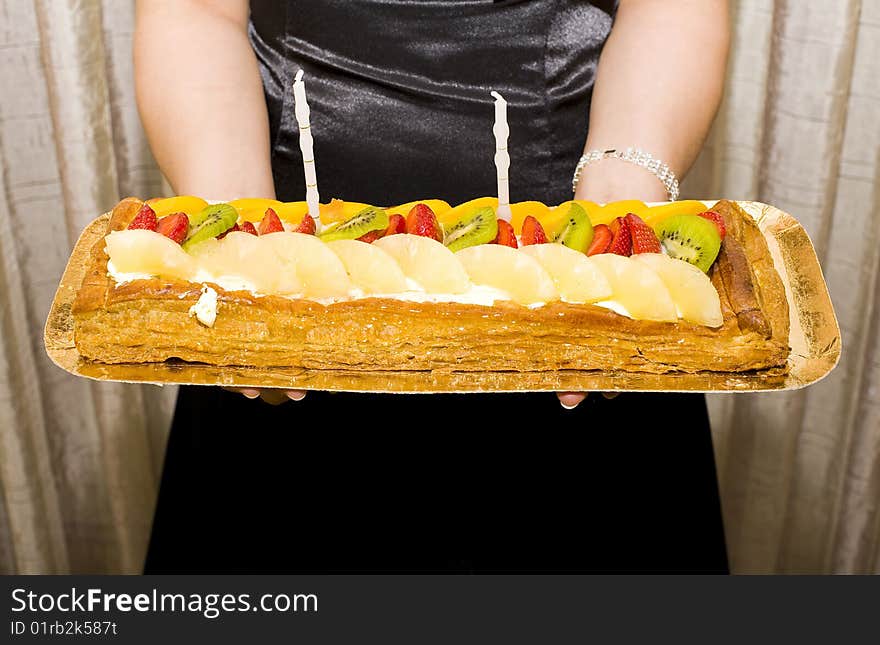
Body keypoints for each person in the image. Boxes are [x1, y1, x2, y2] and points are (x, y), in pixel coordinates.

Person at [137, 0, 731, 572]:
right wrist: (243, 249)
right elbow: (193, 9)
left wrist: (615, 230)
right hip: (287, 255)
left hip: (569, 265)